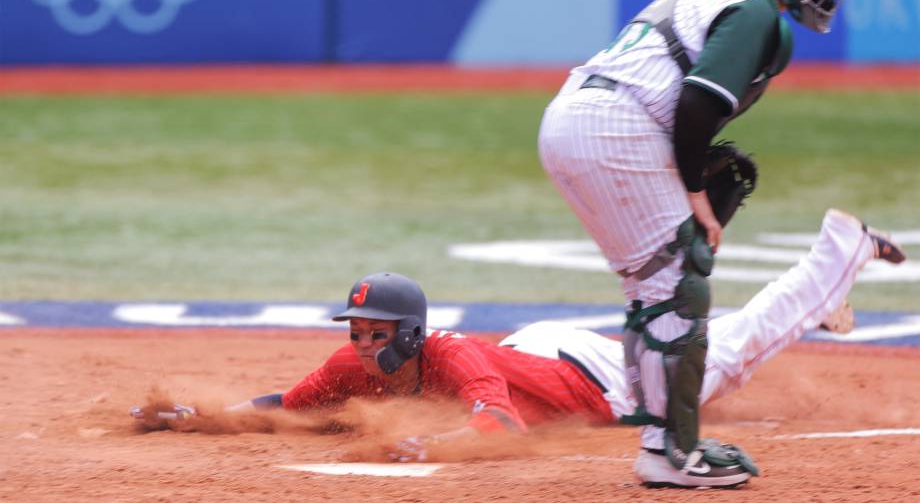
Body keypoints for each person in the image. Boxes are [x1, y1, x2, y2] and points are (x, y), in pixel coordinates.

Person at [139, 210, 905, 487]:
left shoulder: (449, 354)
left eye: (374, 334)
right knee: (717, 359)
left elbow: (497, 428)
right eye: (356, 330)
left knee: (720, 359)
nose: (361, 345)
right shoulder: (354, 365)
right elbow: (285, 406)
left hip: (590, 375)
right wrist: (199, 416)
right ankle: (819, 296)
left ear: (408, 333)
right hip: (533, 351)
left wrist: (425, 450)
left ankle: (838, 251)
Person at [535, 0, 856, 488]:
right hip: (614, 126)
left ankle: (662, 439)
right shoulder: (757, 9)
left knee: (655, 281)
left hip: (577, 116)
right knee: (678, 282)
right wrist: (694, 193)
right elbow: (699, 103)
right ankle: (671, 452)